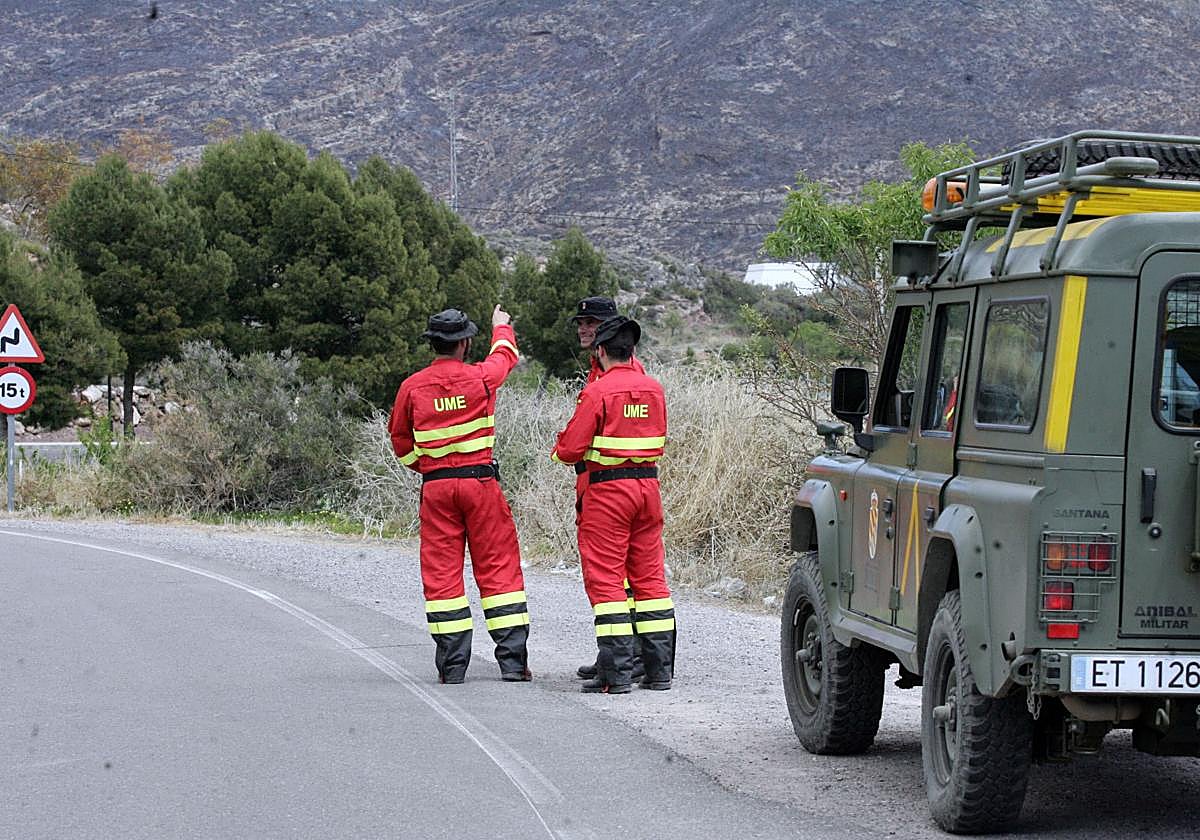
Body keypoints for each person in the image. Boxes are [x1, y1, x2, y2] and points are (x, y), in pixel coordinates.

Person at [388, 305, 531, 685]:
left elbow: (400, 440)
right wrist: (501, 327)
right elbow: (505, 358)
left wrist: (427, 466)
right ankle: (513, 664)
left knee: (442, 575)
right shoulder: (481, 377)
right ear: (465, 343)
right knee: (498, 567)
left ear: (432, 344)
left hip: (437, 489)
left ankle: (452, 667)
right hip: (480, 485)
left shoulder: (411, 387)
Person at [552, 315, 675, 693]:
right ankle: (658, 673)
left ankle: (616, 674)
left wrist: (562, 448)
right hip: (648, 490)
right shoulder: (654, 389)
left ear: (601, 351)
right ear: (632, 350)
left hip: (607, 493)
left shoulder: (598, 392)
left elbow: (570, 448)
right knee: (651, 578)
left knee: (606, 581)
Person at [569, 296, 646, 682]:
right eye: (580, 322)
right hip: (615, 485)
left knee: (612, 576)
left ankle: (623, 660)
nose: (584, 328)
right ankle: (619, 656)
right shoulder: (602, 369)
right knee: (623, 576)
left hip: (609, 488)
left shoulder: (616, 376)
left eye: (592, 322)